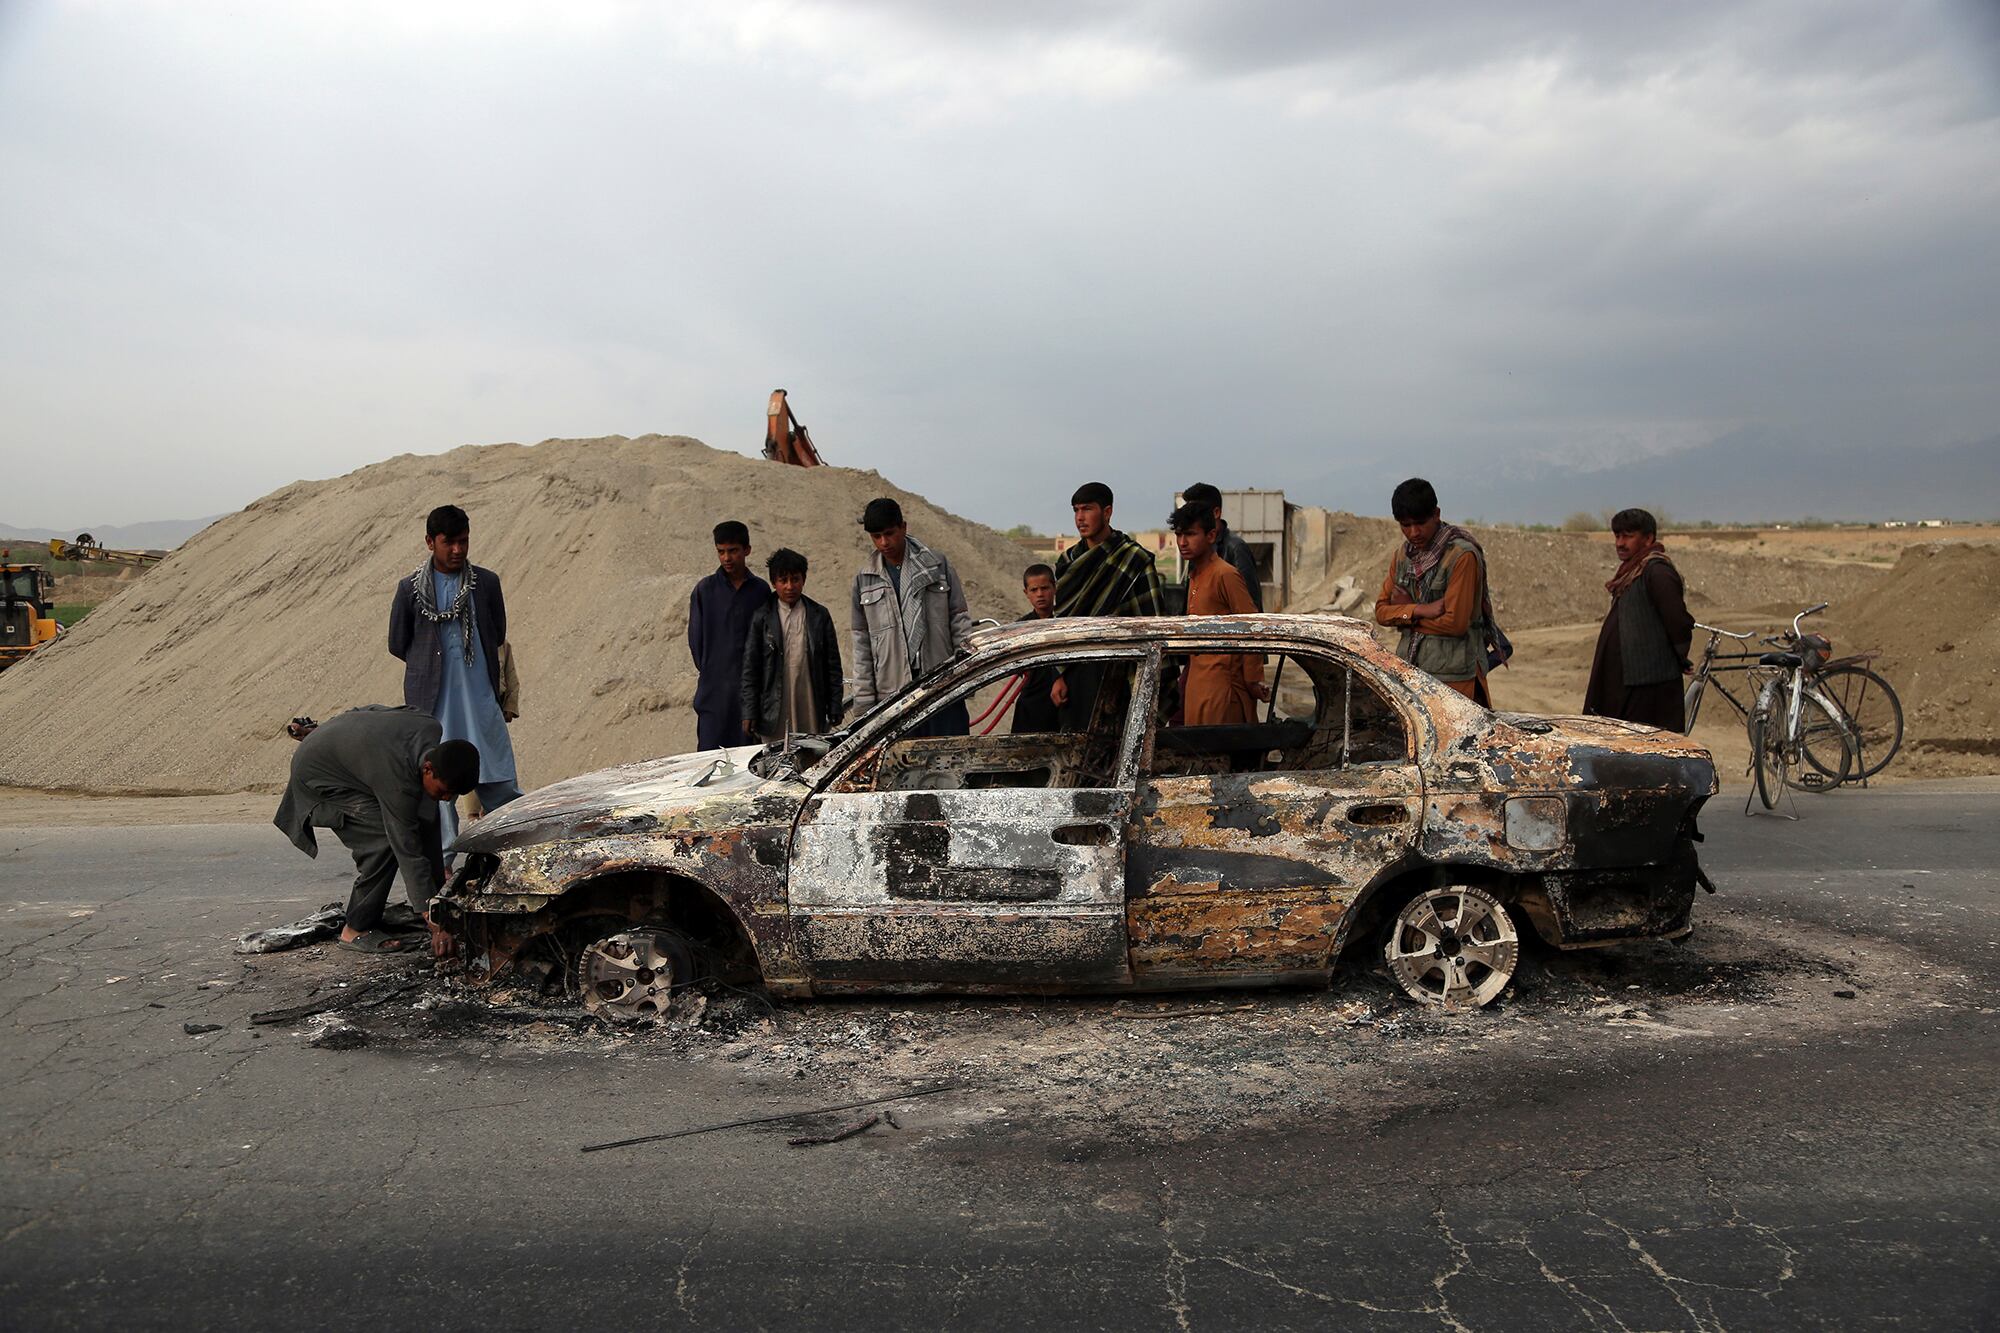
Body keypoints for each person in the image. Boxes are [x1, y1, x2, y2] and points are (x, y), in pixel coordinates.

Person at [273, 706, 480, 954]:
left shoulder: (428, 725)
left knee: (425, 813)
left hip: (333, 746)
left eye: (454, 794)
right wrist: (434, 922)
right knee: (383, 841)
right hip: (319, 779)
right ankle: (355, 929)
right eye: (445, 790)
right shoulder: (396, 781)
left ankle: (427, 903)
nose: (448, 798)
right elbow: (408, 849)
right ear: (427, 769)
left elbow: (369, 711)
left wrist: (436, 901)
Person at [388, 504, 522, 846]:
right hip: (433, 707)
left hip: (480, 701)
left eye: (463, 541)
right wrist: (429, 666)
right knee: (437, 791)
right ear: (430, 542)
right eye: (449, 542)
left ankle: (512, 851)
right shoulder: (409, 590)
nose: (458, 550)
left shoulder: (487, 584)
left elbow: (497, 634)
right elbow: (398, 643)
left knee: (498, 780)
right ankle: (442, 868)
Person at [849, 498, 974, 735]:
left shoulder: (937, 566)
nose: (884, 542)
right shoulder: (865, 579)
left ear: (903, 527)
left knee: (948, 761)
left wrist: (964, 677)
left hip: (941, 685)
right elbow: (862, 645)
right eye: (876, 536)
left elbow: (960, 624)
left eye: (889, 533)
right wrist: (865, 703)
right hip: (894, 695)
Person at [1373, 478, 1497, 706]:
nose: (1413, 532)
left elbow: (1455, 623)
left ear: (1436, 514)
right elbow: (1381, 612)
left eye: (1420, 523)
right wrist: (1421, 609)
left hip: (1455, 681)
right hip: (1411, 674)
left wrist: (1406, 617)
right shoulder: (1403, 556)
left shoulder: (1461, 556)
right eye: (1405, 525)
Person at [1052, 482, 1166, 726]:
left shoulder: (1133, 560)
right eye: (1076, 510)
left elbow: (1151, 624)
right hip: (1074, 673)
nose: (1080, 518)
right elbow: (1059, 625)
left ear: (1107, 512)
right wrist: (1057, 674)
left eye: (1087, 509)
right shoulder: (1068, 561)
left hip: (1116, 675)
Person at [1584, 508, 1695, 731]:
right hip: (1625, 679)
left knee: (1645, 746)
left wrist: (1680, 657)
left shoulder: (1657, 571)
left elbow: (1677, 621)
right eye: (1617, 536)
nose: (1620, 543)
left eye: (1628, 536)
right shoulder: (1632, 571)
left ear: (1648, 539)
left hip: (1647, 683)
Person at [1171, 501, 1268, 724]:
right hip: (1198, 682)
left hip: (1222, 689)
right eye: (1179, 535)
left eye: (1190, 534)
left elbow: (1252, 626)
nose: (1182, 542)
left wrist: (1253, 680)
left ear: (1211, 535)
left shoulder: (1225, 575)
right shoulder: (1195, 576)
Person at [740, 548, 845, 743]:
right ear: (774, 583)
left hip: (810, 701)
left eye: (795, 579)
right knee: (774, 759)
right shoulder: (762, 618)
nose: (790, 586)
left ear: (803, 580)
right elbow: (750, 669)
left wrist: (835, 704)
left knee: (812, 754)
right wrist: (749, 710)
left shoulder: (818, 615)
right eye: (783, 580)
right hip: (774, 706)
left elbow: (832, 666)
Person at [689, 520, 771, 750]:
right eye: (721, 551)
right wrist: (712, 670)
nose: (726, 558)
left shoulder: (760, 591)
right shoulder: (704, 591)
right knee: (710, 758)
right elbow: (697, 643)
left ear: (747, 550)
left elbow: (766, 641)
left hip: (750, 696)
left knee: (748, 761)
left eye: (733, 551)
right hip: (713, 694)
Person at [1181, 482, 1263, 610]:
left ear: (1216, 512)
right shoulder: (1197, 552)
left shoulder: (1235, 549)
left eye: (1197, 512)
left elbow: (1250, 611)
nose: (1183, 542)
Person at [1011, 563, 1062, 734]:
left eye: (1044, 588)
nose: (1040, 594)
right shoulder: (1021, 627)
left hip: (1062, 700)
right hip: (1032, 701)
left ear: (1054, 588)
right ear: (1026, 593)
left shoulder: (1066, 622)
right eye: (1034, 590)